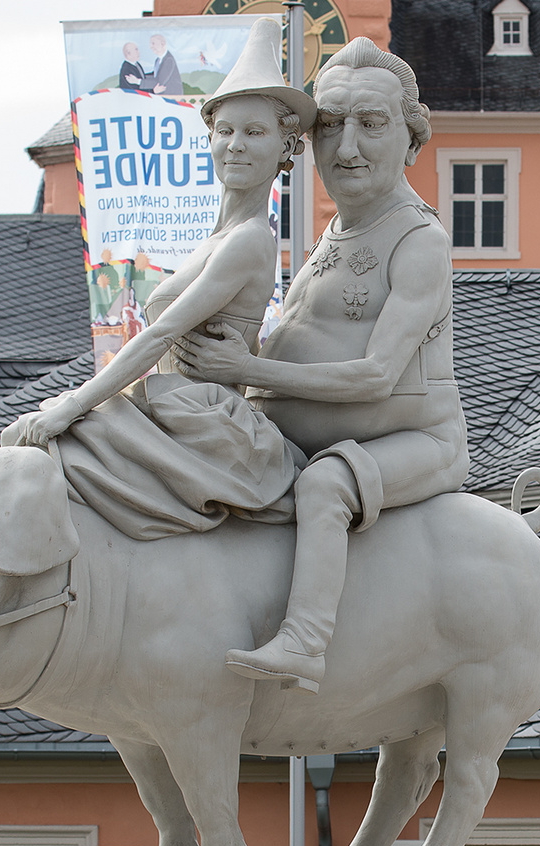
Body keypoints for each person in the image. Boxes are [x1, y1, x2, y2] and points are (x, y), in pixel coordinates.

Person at [176, 37, 468, 694]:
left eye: (371, 124)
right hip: (298, 432)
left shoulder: (420, 241)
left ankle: (305, 644)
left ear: (411, 139)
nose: (347, 147)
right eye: (330, 126)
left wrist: (247, 369)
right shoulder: (329, 237)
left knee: (325, 487)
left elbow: (374, 377)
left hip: (413, 442)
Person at [4, 18, 315, 524]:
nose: (235, 144)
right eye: (225, 130)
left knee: (53, 442)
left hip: (202, 421)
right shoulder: (220, 239)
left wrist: (74, 405)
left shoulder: (250, 240)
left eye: (254, 132)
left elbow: (161, 334)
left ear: (284, 149)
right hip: (173, 405)